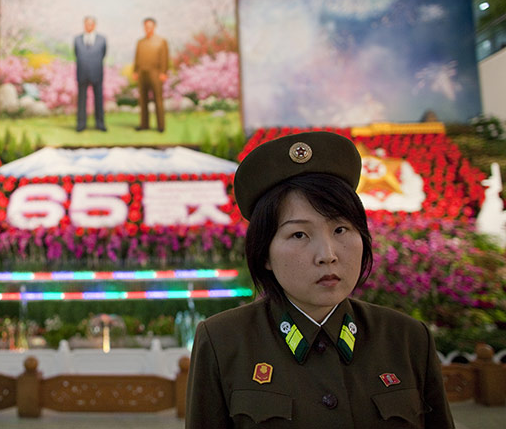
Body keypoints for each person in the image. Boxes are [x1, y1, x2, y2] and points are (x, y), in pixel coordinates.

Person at [186, 131, 454, 428]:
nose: (327, 255)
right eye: (299, 234)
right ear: (265, 254)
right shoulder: (223, 341)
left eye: (341, 230)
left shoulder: (407, 338)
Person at [132, 17, 169, 133]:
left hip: (156, 73)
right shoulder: (140, 42)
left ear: (154, 27)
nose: (147, 28)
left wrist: (163, 72)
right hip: (142, 73)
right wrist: (135, 71)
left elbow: (164, 58)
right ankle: (144, 124)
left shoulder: (161, 41)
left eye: (150, 26)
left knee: (158, 99)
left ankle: (161, 126)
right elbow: (137, 57)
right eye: (146, 26)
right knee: (143, 100)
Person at [74, 16, 107, 132]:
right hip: (82, 73)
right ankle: (81, 124)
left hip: (97, 73)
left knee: (98, 100)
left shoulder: (102, 39)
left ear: (94, 25)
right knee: (81, 100)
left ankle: (100, 123)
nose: (88, 26)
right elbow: (77, 54)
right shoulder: (77, 39)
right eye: (86, 24)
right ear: (84, 25)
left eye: (90, 24)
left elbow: (103, 54)